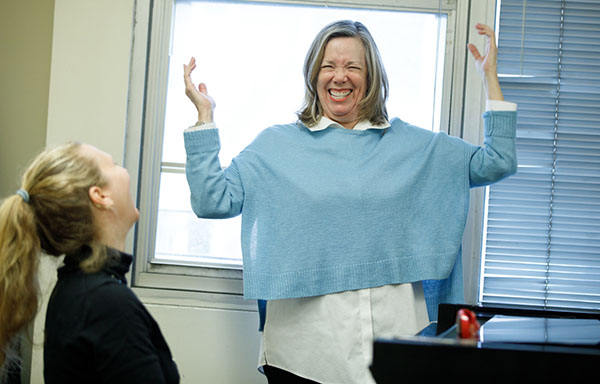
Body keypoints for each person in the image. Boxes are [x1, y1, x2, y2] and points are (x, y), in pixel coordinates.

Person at [183, 20, 517, 383]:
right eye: (328, 66)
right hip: (302, 350)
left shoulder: (416, 147)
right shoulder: (274, 147)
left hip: (395, 341)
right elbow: (211, 201)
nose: (339, 77)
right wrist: (205, 118)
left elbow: (497, 161)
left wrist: (490, 77)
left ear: (371, 77)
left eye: (352, 67)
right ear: (314, 75)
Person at [0, 142, 180, 384]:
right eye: (114, 165)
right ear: (100, 196)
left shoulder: (80, 287)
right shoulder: (107, 305)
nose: (125, 171)